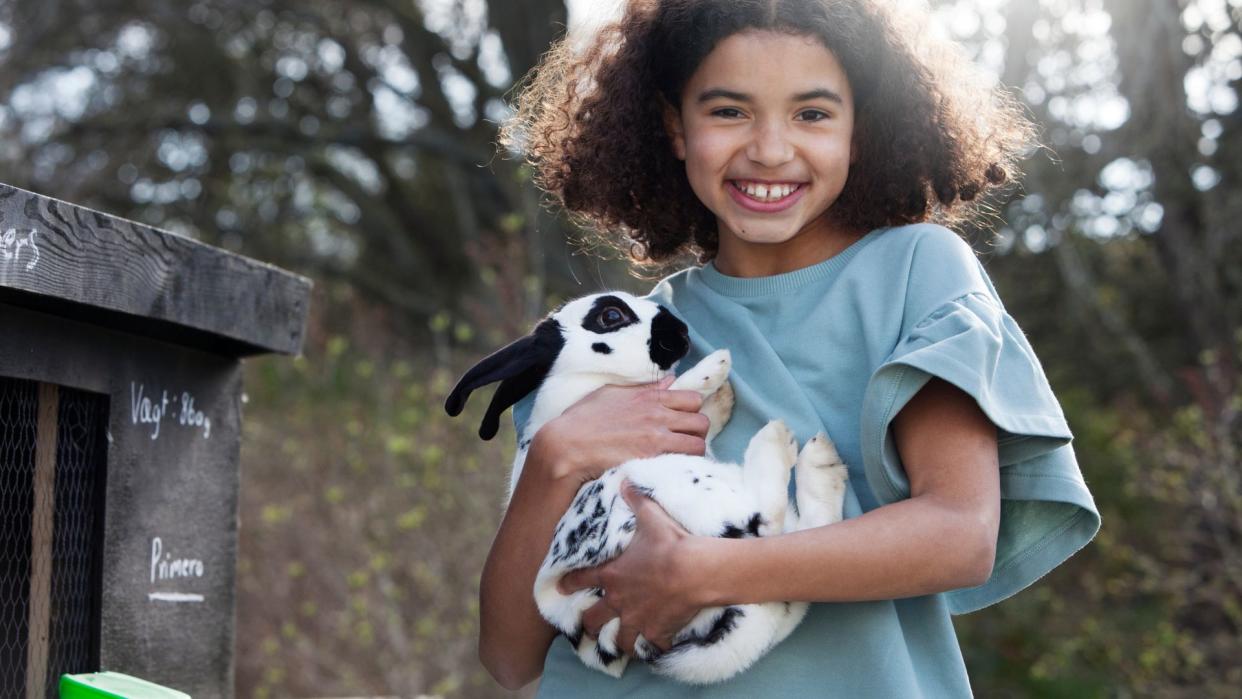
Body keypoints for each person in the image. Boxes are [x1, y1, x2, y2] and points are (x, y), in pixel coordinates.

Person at [480, 0, 1101, 696]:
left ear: (860, 129)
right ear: (673, 127)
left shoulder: (915, 272)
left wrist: (701, 572)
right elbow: (510, 656)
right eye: (728, 111)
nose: (771, 149)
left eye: (812, 114)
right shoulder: (621, 339)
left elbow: (959, 532)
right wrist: (556, 457)